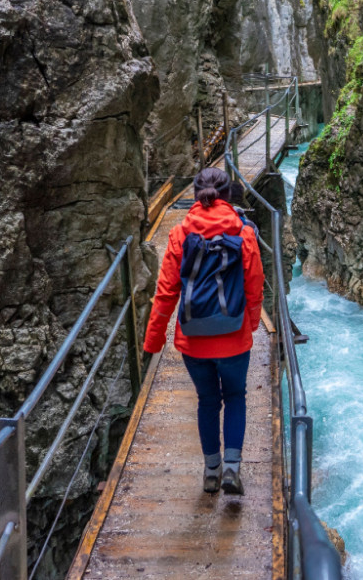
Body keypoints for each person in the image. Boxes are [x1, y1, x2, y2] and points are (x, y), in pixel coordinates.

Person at [143, 167, 265, 495]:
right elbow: (255, 288)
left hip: (193, 341)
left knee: (207, 400)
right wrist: (251, 325)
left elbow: (166, 292)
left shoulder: (180, 233)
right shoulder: (244, 232)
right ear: (227, 196)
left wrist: (153, 340)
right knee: (235, 396)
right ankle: (231, 469)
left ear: (196, 195)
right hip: (234, 336)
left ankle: (211, 472)